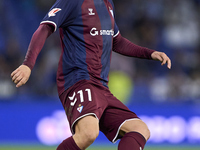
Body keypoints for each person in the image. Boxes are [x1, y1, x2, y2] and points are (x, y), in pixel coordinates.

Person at [11, 0, 171, 150]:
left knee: (139, 129)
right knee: (88, 133)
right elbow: (44, 28)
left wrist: (150, 53)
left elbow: (117, 41)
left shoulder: (108, 4)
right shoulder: (72, 1)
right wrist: (28, 64)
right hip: (78, 80)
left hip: (101, 86)